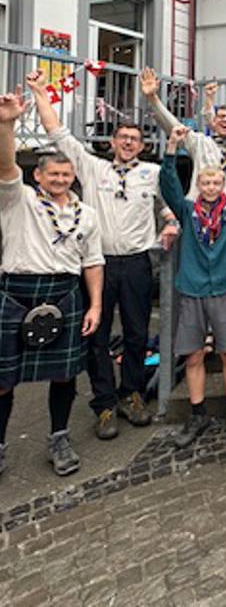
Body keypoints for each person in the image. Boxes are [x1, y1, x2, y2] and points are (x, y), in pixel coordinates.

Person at [26, 69, 178, 440]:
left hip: (138, 263)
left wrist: (170, 221)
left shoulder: (153, 172)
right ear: (112, 142)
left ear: (142, 146)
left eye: (134, 139)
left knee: (137, 332)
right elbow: (57, 132)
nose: (128, 143)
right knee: (97, 335)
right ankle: (105, 403)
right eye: (123, 137)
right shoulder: (92, 167)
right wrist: (40, 92)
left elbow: (165, 205)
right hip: (98, 264)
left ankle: (132, 394)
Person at [0, 87, 104, 476]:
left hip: (65, 293)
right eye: (53, 174)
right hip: (17, 293)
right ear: (38, 176)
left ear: (73, 176)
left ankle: (59, 438)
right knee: (3, 379)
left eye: (66, 174)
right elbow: (6, 166)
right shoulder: (19, 199)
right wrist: (7, 125)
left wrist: (95, 305)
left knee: (64, 374)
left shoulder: (86, 214)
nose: (60, 179)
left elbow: (93, 262)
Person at [159, 126, 226, 447]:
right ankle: (197, 412)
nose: (211, 188)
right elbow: (169, 185)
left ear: (223, 185)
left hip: (223, 287)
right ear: (198, 185)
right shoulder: (187, 210)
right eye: (205, 183)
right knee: (194, 355)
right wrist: (171, 149)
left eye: (216, 183)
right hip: (193, 288)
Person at [141, 67, 226, 199]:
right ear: (214, 121)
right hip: (199, 206)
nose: (225, 120)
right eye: (221, 116)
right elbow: (173, 126)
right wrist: (153, 99)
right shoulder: (200, 142)